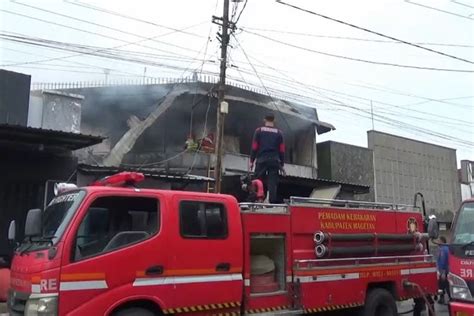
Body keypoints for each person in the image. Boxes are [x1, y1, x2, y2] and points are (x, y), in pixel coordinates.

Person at [250, 113, 285, 204]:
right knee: (272, 182)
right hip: (274, 161)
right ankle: (272, 201)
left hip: (261, 160)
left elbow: (254, 147)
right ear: (274, 120)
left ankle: (259, 199)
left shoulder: (259, 131)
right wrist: (281, 164)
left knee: (258, 180)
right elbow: (282, 150)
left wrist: (251, 161)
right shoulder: (279, 133)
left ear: (264, 120)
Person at [437, 235, 450, 304]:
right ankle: (447, 298)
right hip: (447, 270)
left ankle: (446, 298)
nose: (438, 242)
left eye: (439, 240)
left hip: (444, 271)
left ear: (442, 241)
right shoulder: (447, 248)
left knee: (443, 285)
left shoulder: (442, 249)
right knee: (445, 284)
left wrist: (442, 272)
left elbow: (442, 261)